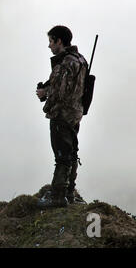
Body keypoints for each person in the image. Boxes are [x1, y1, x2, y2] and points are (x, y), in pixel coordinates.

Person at [36, 25, 88, 208]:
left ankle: (58, 196)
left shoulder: (65, 63)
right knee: (72, 152)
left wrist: (45, 97)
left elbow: (59, 91)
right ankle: (69, 192)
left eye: (51, 41)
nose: (49, 46)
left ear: (59, 41)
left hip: (62, 114)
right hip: (76, 113)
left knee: (62, 155)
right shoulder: (80, 60)